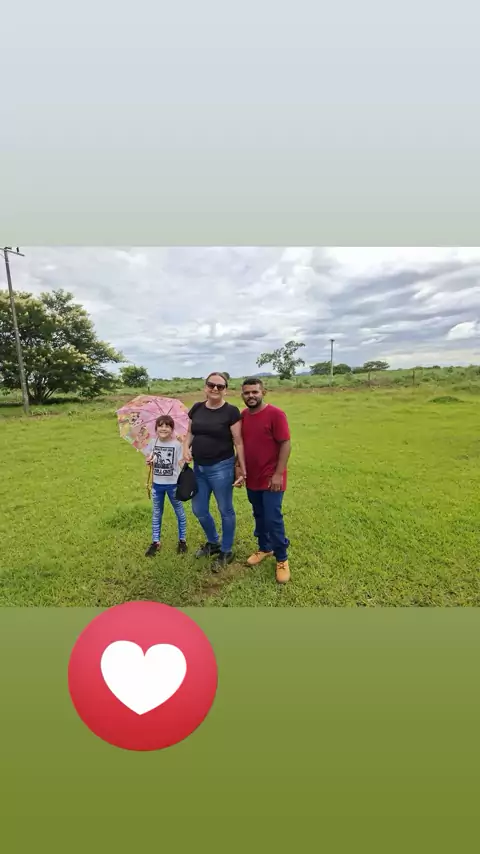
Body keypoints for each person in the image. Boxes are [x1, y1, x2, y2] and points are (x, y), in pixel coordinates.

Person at [183, 372, 246, 570]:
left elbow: (238, 442)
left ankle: (226, 550)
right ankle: (213, 542)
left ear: (225, 390)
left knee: (225, 509)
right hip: (199, 468)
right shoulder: (196, 408)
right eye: (211, 385)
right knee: (199, 509)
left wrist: (241, 469)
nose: (215, 389)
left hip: (222, 467)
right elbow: (190, 432)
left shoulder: (231, 412)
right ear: (205, 387)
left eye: (220, 386)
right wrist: (185, 448)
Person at [240, 377, 291, 584]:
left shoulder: (276, 414)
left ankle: (282, 558)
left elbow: (285, 444)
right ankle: (264, 547)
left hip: (272, 478)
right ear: (242, 395)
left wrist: (278, 474)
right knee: (259, 514)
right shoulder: (243, 416)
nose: (251, 396)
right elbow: (241, 444)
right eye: (247, 393)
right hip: (253, 476)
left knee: (272, 517)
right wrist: (238, 468)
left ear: (263, 392)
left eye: (255, 392)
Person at [144, 415, 188, 557]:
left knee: (179, 512)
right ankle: (155, 542)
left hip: (173, 486)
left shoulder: (176, 444)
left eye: (167, 426)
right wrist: (148, 461)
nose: (163, 429)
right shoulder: (153, 442)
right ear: (156, 428)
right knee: (157, 513)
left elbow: (181, 463)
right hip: (157, 485)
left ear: (172, 429)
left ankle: (182, 540)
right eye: (160, 426)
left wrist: (186, 457)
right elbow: (149, 458)